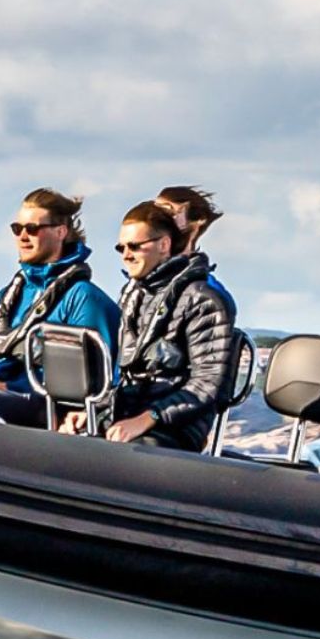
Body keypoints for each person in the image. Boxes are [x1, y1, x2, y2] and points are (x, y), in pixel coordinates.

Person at [60, 190, 237, 449]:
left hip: (174, 427)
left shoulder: (205, 298)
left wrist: (149, 418)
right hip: (127, 417)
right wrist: (95, 413)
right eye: (121, 248)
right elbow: (123, 373)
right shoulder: (134, 294)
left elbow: (207, 382)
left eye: (134, 247)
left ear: (164, 244)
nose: (126, 255)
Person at [0, 188, 121, 425]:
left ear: (61, 232)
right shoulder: (10, 294)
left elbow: (91, 376)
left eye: (32, 229)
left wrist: (10, 386)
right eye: (17, 229)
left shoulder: (83, 298)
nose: (23, 236)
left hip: (47, 404)